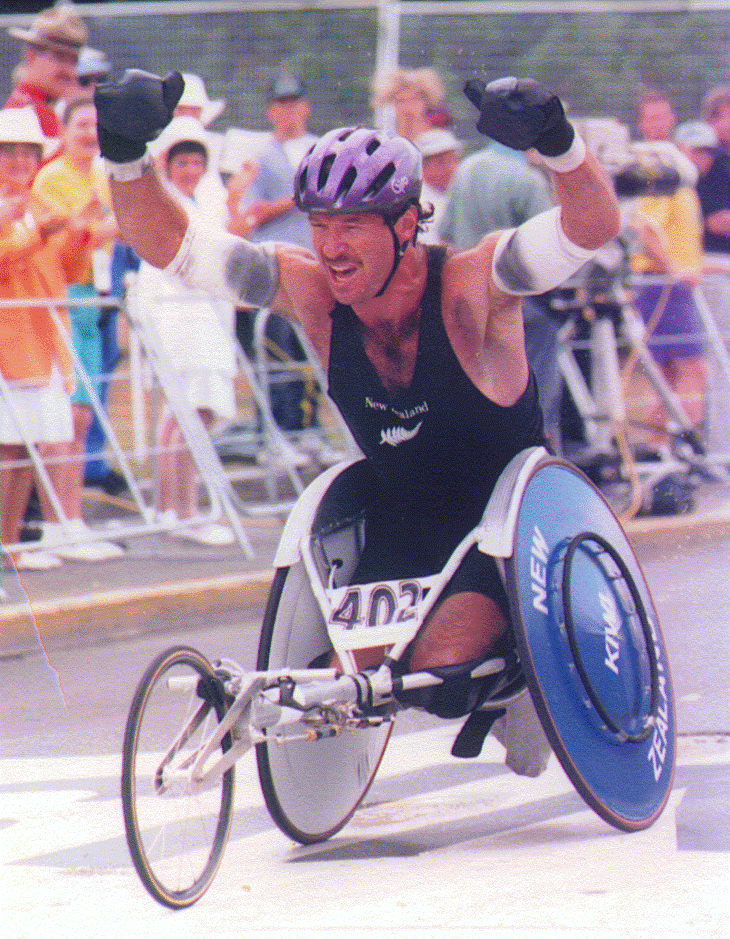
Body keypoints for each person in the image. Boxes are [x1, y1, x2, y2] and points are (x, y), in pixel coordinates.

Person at [95, 71, 619, 733]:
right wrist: (123, 154)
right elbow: (173, 247)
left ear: (406, 223)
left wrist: (559, 140)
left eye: (351, 226)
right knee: (357, 679)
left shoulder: (470, 286)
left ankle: (521, 673)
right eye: (319, 224)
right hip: (404, 518)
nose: (330, 246)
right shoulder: (311, 291)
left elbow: (592, 226)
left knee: (441, 673)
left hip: (509, 526)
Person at [229, 73, 341, 466]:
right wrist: (295, 199)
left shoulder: (322, 149)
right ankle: (273, 436)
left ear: (306, 106)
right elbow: (251, 213)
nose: (289, 111)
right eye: (281, 103)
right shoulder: (261, 157)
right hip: (277, 269)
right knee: (275, 352)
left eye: (295, 102)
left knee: (311, 353)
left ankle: (308, 430)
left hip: (315, 267)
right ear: (271, 110)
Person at [136, 118, 236, 546]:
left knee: (191, 414)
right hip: (178, 316)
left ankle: (175, 509)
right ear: (167, 163)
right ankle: (181, 512)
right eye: (184, 162)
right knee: (187, 414)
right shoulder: (166, 203)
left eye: (198, 162)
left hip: (202, 315)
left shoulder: (199, 203)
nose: (191, 169)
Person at [32, 96, 124, 561]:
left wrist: (102, 226)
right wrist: (102, 226)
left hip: (95, 295)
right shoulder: (52, 177)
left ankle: (73, 520)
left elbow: (108, 228)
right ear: (64, 130)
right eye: (81, 124)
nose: (90, 133)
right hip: (69, 294)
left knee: (83, 415)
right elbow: (75, 236)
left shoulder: (100, 176)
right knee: (66, 418)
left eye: (96, 124)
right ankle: (56, 523)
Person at [0, 107, 91, 570]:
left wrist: (79, 234)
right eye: (8, 152)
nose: (18, 161)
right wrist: (38, 233)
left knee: (28, 446)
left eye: (26, 153)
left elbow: (66, 269)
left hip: (43, 340)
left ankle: (11, 546)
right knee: (6, 450)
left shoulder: (42, 205)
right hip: (7, 344)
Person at [438, 140, 566, 453]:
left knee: (477, 384)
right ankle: (539, 457)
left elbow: (446, 232)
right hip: (516, 297)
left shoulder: (465, 170)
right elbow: (552, 241)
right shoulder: (527, 179)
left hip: (467, 294)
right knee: (535, 381)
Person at [628, 94, 708, 447]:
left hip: (667, 283)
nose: (658, 124)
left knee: (669, 373)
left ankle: (668, 452)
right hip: (663, 286)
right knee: (690, 371)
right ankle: (684, 451)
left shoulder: (673, 171)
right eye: (651, 118)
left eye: (664, 116)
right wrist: (676, 271)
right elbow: (646, 231)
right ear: (642, 124)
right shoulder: (656, 172)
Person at [5, 6, 87, 141]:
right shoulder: (28, 114)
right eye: (60, 57)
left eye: (74, 61)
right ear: (31, 56)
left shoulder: (43, 107)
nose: (69, 71)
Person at [413, 128, 463, 245]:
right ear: (422, 168)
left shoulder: (460, 194)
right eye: (441, 163)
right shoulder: (419, 204)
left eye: (454, 161)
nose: (452, 168)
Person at [371, 68, 446, 141]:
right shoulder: (384, 141)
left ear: (426, 102)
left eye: (414, 100)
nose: (408, 106)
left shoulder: (440, 143)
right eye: (401, 101)